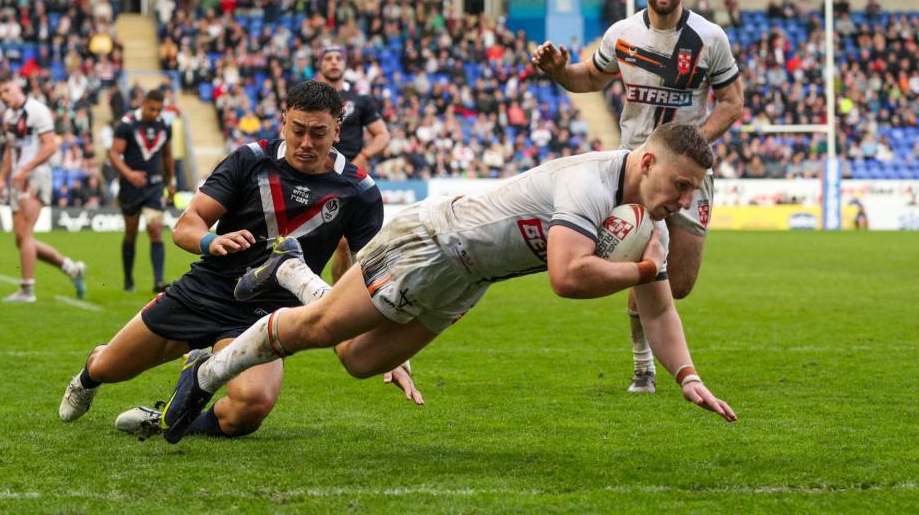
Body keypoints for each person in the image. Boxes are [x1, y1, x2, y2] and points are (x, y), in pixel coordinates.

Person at [159, 122, 738, 444]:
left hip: (469, 279)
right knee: (317, 328)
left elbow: (660, 312)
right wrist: (637, 272)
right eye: (682, 184)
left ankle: (291, 268)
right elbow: (566, 276)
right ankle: (206, 373)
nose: (685, 200)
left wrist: (687, 376)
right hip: (433, 242)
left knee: (359, 361)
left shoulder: (647, 225)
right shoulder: (589, 182)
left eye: (693, 192)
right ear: (646, 163)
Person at [58, 81, 419, 440]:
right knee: (109, 366)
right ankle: (87, 377)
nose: (306, 143)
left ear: (337, 131)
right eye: (298, 131)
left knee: (251, 405)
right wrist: (211, 241)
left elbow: (368, 276)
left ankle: (166, 419)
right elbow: (186, 225)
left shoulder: (359, 192)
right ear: (283, 123)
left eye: (318, 133)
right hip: (205, 292)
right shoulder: (250, 160)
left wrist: (392, 353)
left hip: (269, 315)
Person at [531, 0, 744, 394]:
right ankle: (643, 366)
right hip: (637, 171)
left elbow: (732, 102)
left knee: (679, 283)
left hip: (688, 174)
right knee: (647, 262)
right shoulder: (623, 34)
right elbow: (588, 78)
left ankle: (650, 350)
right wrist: (558, 71)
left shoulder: (710, 39)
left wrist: (694, 145)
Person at [0, 71, 86, 303]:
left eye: (7, 90)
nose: (4, 97)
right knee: (21, 238)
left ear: (17, 86)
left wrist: (26, 169)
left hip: (36, 176)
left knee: (25, 234)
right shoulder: (8, 116)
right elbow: (9, 150)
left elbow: (50, 146)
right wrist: (2, 177)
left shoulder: (37, 110)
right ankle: (70, 267)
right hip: (18, 178)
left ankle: (27, 289)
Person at [314, 45, 390, 282]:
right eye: (328, 58)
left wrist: (363, 158)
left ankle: (338, 298)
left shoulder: (361, 99)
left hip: (348, 176)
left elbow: (383, 136)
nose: (334, 62)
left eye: (338, 58)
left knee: (344, 242)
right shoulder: (309, 96)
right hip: (314, 173)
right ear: (320, 64)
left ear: (345, 64)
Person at [108, 89, 176, 293]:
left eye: (159, 110)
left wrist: (171, 181)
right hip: (131, 187)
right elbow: (113, 154)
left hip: (154, 186)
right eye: (152, 109)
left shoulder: (164, 125)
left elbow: (167, 154)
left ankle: (158, 281)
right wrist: (129, 175)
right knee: (131, 233)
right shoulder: (127, 124)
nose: (155, 113)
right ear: (143, 103)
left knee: (155, 231)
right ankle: (128, 280)